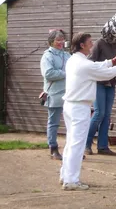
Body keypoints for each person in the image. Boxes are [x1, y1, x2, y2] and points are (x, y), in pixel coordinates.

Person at [60, 32, 116, 191]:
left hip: (71, 105)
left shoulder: (74, 60)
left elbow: (96, 67)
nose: (92, 44)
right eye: (89, 42)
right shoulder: (84, 64)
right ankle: (71, 180)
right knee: (77, 144)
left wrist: (111, 61)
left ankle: (65, 175)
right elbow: (103, 73)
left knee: (71, 143)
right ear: (82, 45)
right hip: (79, 107)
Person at [85, 36, 116, 156]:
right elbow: (91, 62)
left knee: (107, 115)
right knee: (99, 113)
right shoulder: (99, 43)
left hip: (110, 83)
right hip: (98, 83)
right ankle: (86, 144)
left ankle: (103, 146)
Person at [40, 29, 71, 160]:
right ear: (51, 41)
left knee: (71, 122)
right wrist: (66, 74)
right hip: (54, 93)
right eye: (57, 40)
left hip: (69, 93)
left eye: (62, 39)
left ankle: (71, 151)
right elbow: (48, 73)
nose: (60, 42)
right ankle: (53, 148)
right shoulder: (47, 56)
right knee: (53, 122)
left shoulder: (67, 55)